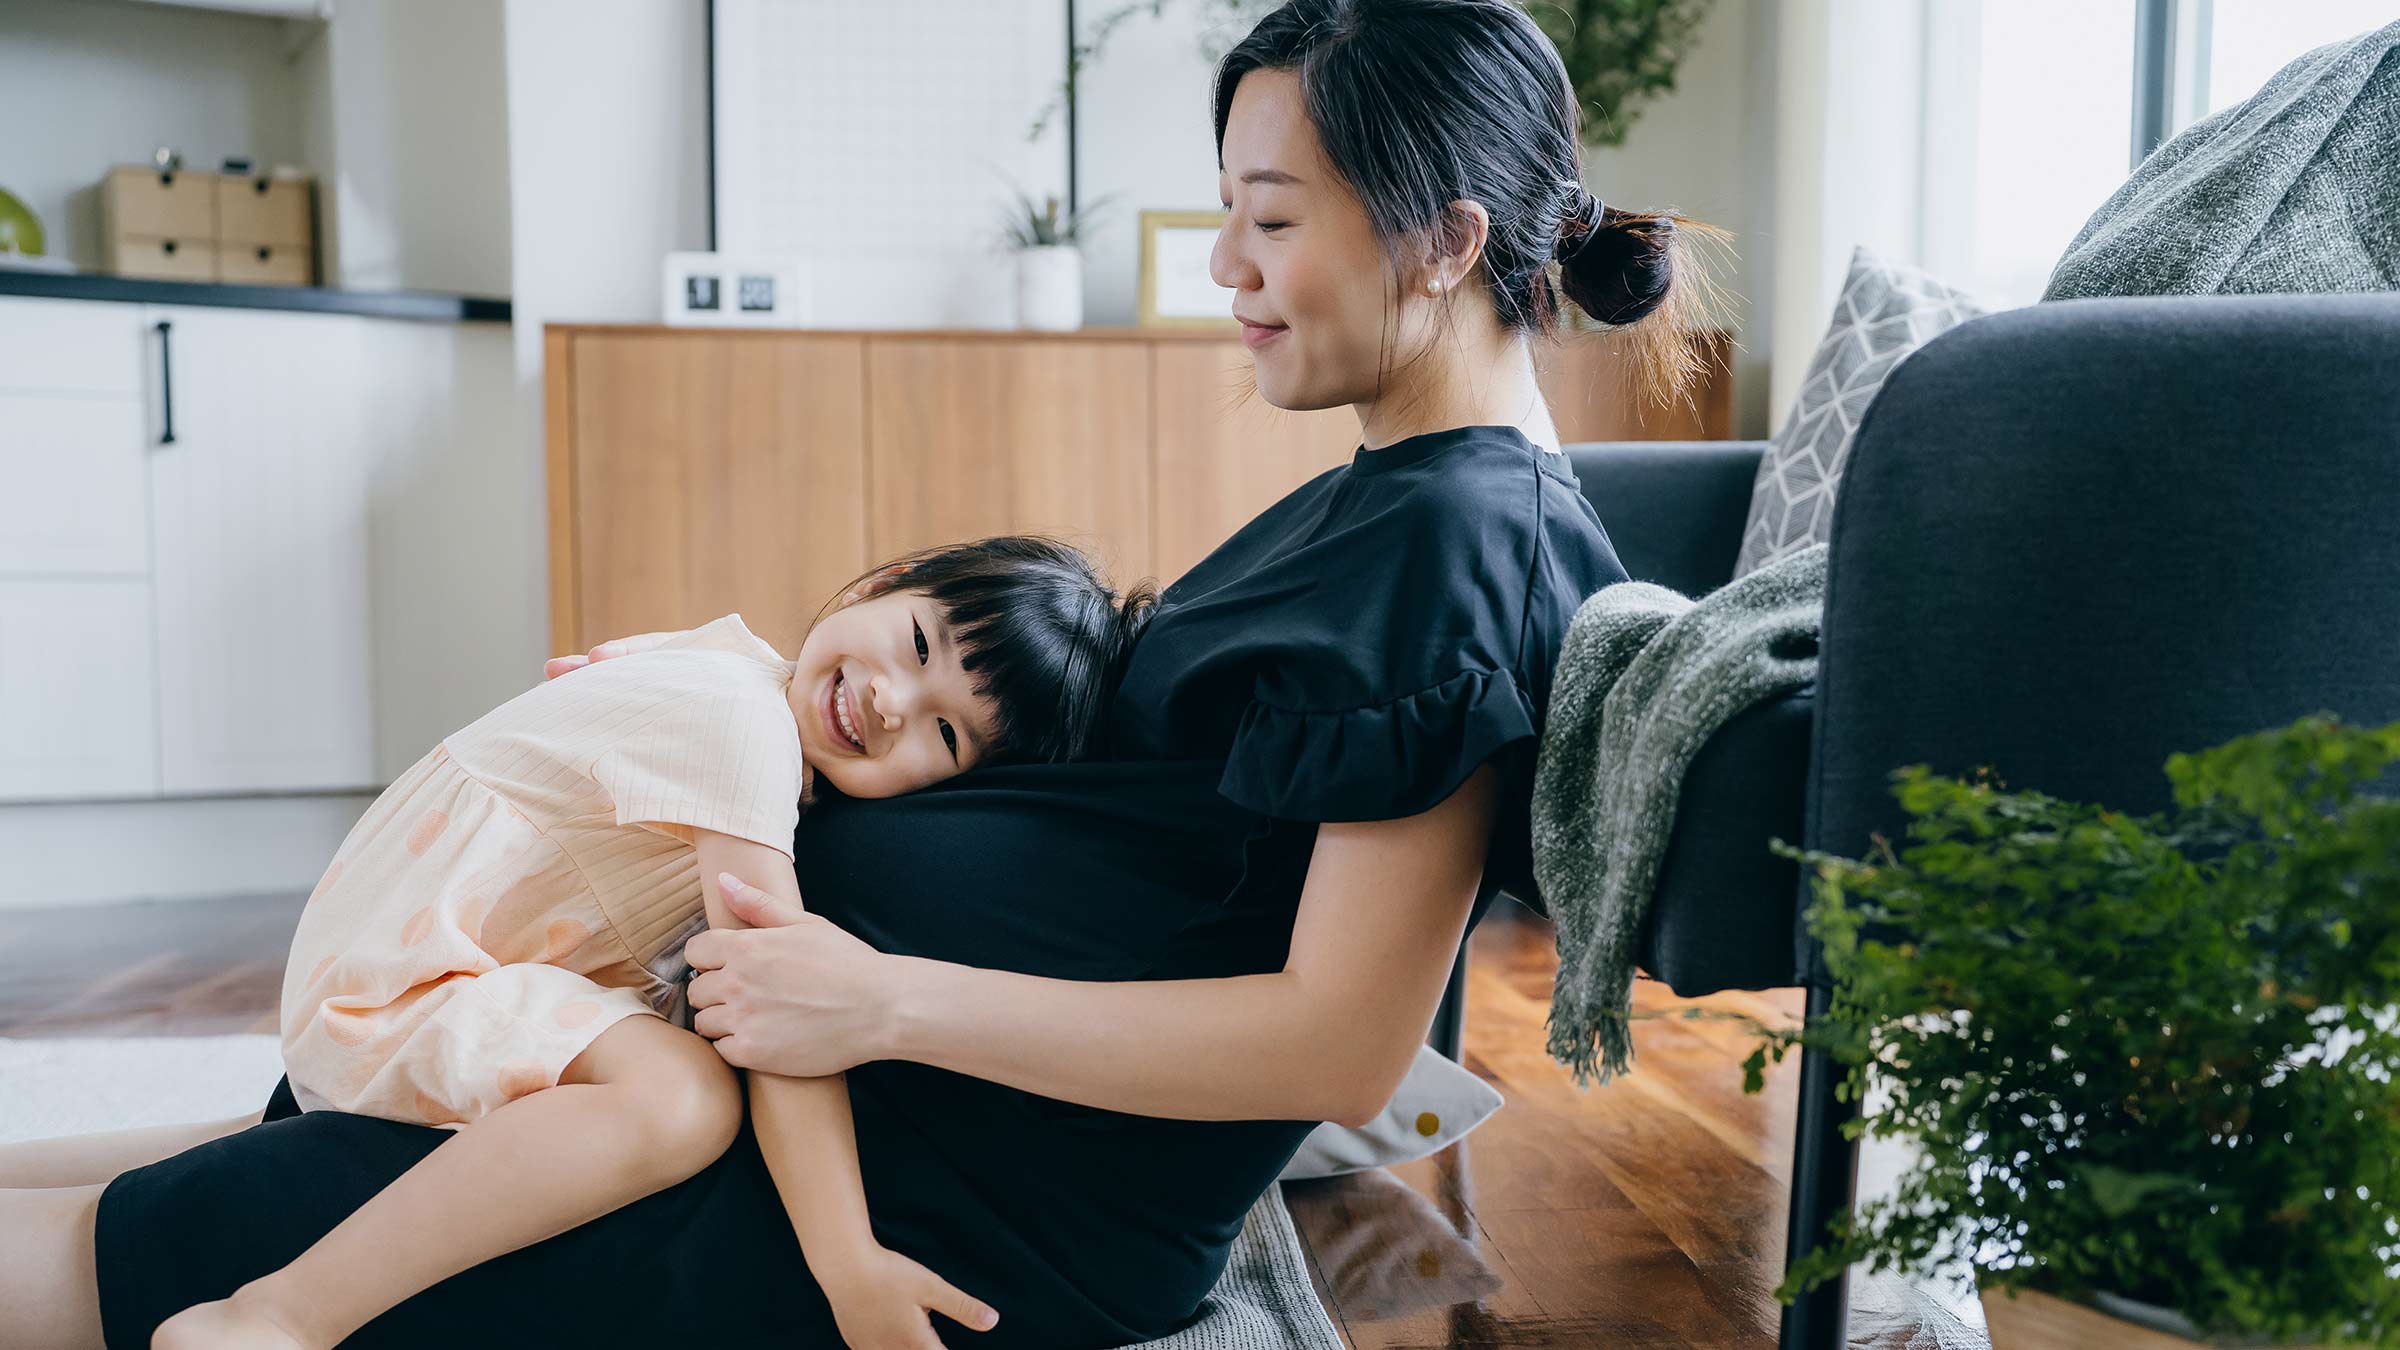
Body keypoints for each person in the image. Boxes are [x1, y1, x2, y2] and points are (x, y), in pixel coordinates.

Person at [0, 2, 1723, 1346]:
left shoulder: (1462, 547)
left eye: (1269, 221)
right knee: (251, 1157)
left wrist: (879, 996)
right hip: (823, 1070)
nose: (1225, 270)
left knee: (171, 1256)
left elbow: (1338, 1039)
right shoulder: (1400, 496)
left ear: (1443, 240)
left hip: (958, 1189)